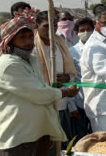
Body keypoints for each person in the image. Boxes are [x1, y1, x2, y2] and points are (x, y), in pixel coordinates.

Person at [0, 16, 79, 156]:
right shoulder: (8, 65)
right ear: (10, 40)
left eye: (30, 36)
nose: (29, 42)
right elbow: (39, 94)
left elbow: (40, 89)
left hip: (36, 133)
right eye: (22, 37)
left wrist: (46, 130)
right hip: (16, 136)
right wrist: (65, 93)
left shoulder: (31, 60)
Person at [33, 11, 77, 149]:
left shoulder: (59, 43)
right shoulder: (32, 46)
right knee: (45, 145)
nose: (51, 30)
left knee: (63, 145)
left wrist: (67, 77)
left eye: (53, 25)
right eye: (46, 26)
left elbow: (70, 70)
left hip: (61, 102)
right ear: (37, 25)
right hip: (40, 104)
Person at [69, 17, 94, 141]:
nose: (85, 33)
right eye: (82, 30)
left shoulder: (102, 49)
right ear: (77, 33)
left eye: (88, 29)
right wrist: (71, 105)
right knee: (81, 137)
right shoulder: (72, 52)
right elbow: (70, 78)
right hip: (80, 101)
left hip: (98, 100)